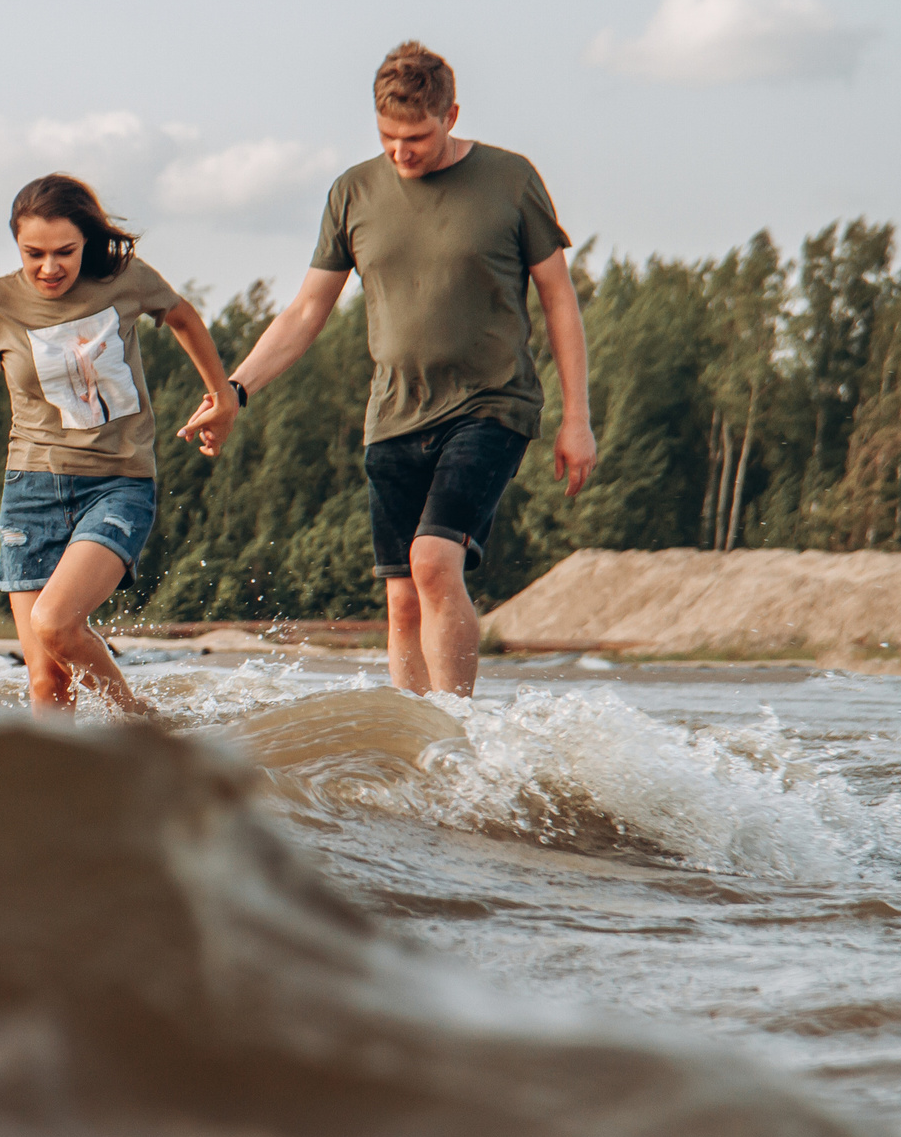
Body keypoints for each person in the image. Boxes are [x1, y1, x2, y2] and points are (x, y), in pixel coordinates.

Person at [182, 41, 596, 697]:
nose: (402, 152)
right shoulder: (353, 192)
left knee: (433, 560)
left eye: (418, 138)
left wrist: (578, 417)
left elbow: (559, 300)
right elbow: (305, 312)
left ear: (451, 115)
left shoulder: (511, 180)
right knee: (402, 600)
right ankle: (414, 749)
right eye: (388, 136)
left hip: (490, 406)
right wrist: (235, 388)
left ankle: (454, 732)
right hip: (393, 418)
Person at [0, 173, 238, 714]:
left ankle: (138, 725)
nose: (49, 267)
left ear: (86, 245)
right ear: (17, 245)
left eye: (64, 252)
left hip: (119, 482)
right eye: (34, 253)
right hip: (30, 489)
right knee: (46, 682)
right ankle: (60, 794)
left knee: (54, 623)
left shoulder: (124, 280)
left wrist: (222, 397)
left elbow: (184, 317)